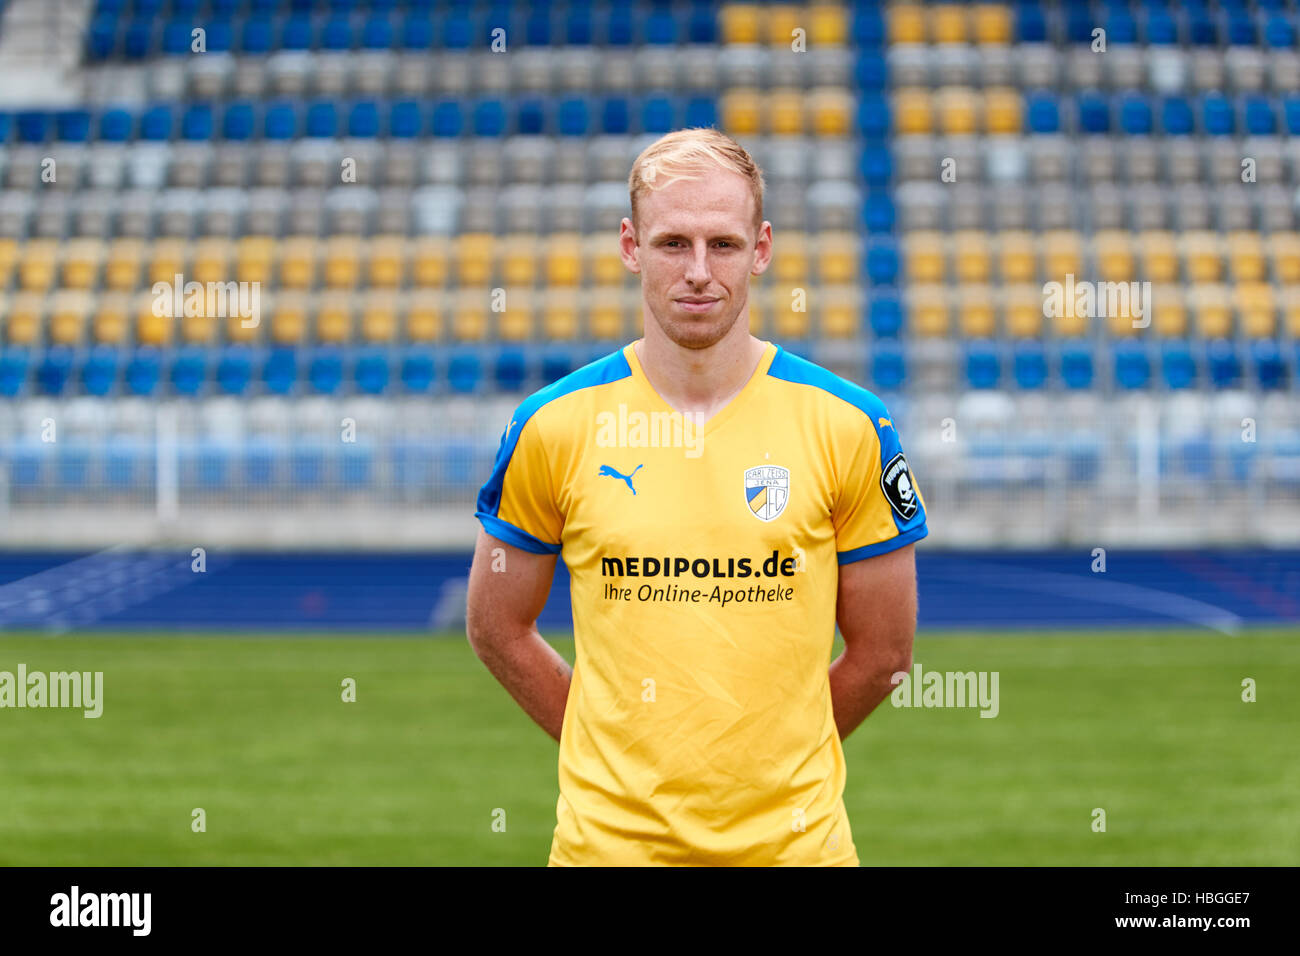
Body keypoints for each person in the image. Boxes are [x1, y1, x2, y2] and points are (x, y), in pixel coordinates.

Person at [468, 128, 927, 866]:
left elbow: (884, 655)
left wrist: (771, 763)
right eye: (673, 243)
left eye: (724, 244)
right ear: (630, 247)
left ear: (763, 249)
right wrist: (608, 752)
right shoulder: (552, 425)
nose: (699, 272)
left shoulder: (850, 425)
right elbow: (496, 627)